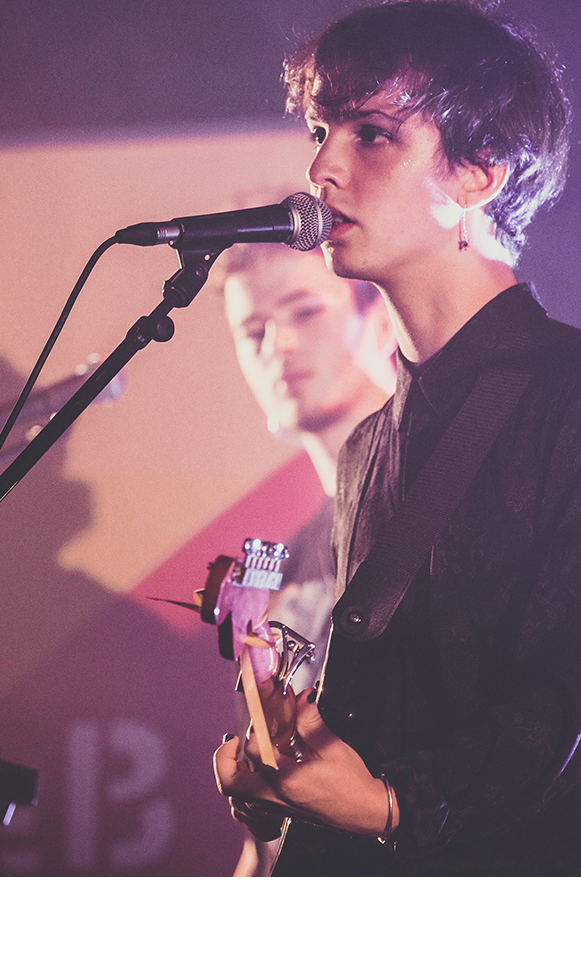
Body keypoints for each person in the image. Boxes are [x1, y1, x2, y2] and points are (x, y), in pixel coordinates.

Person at [212, 0, 581, 876]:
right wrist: (291, 766)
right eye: (320, 131)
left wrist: (393, 804)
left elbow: (578, 705)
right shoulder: (368, 449)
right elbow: (401, 715)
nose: (322, 166)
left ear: (482, 170)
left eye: (372, 133)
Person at [215, 237, 396, 875]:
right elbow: (266, 838)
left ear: (381, 319)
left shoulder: (452, 510)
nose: (279, 345)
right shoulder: (279, 570)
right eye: (253, 331)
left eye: (305, 311)